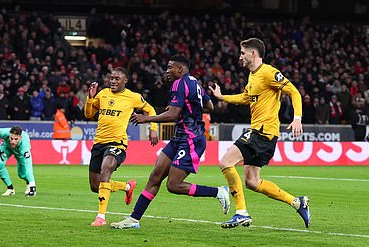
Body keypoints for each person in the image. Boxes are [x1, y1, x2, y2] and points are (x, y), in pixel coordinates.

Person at [111, 56, 230, 229]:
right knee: (155, 177)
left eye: (169, 67)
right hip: (180, 137)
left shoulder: (179, 83)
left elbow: (172, 115)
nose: (166, 71)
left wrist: (146, 118)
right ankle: (133, 220)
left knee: (173, 185)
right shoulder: (195, 82)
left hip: (191, 139)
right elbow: (210, 106)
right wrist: (187, 108)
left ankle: (219, 192)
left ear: (180, 69)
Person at [210, 38, 310, 229]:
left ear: (253, 53)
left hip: (262, 132)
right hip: (265, 135)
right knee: (252, 182)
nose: (240, 57)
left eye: (242, 53)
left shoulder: (269, 73)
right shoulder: (252, 75)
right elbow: (245, 98)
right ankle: (298, 202)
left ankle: (241, 213)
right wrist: (222, 97)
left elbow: (294, 92)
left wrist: (297, 117)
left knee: (225, 162)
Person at [84, 67, 159, 227]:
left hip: (117, 142)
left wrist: (153, 128)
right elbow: (89, 114)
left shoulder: (133, 97)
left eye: (117, 79)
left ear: (125, 80)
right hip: (99, 143)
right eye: (111, 78)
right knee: (95, 186)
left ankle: (101, 217)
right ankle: (127, 187)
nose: (113, 81)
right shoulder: (102, 94)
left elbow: (150, 109)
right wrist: (90, 99)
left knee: (106, 169)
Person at [0, 126, 37, 196]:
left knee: (22, 175)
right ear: (9, 135)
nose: (13, 141)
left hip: (19, 152)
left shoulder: (25, 146)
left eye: (16, 139)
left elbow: (28, 165)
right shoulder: (4, 132)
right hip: (6, 147)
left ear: (20, 138)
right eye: (11, 138)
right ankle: (10, 189)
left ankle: (28, 183)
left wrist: (33, 186)